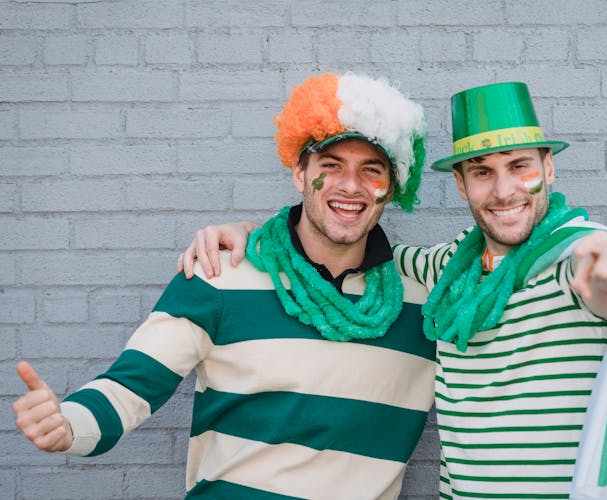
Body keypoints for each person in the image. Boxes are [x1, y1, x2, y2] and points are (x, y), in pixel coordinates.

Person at [177, 82, 607, 499]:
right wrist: (252, 234)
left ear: (548, 168)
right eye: (483, 172)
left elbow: (602, 277)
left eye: (519, 166)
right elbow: (348, 250)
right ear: (461, 186)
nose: (503, 191)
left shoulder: (572, 254)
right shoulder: (447, 269)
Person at [12, 72, 437, 499]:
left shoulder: (424, 303)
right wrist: (68, 425)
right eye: (331, 166)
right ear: (299, 173)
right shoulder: (219, 273)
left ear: (392, 188)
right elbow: (132, 386)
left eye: (371, 170)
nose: (350, 186)